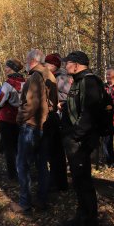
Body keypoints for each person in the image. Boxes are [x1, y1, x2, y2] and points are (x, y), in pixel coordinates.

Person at [60, 51, 102, 226]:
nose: (64, 66)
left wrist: (76, 136)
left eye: (67, 63)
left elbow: (90, 113)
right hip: (75, 140)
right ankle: (81, 217)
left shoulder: (89, 81)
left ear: (76, 64)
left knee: (84, 184)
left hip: (81, 142)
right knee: (78, 182)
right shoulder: (78, 81)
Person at [10, 49, 58, 213]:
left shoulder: (35, 77)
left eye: (26, 59)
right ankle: (41, 200)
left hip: (31, 125)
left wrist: (19, 119)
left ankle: (25, 203)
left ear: (31, 60)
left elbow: (31, 104)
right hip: (45, 125)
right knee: (42, 163)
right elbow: (53, 101)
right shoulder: (49, 75)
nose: (25, 61)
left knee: (22, 164)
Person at [0, 58, 25, 180]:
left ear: (12, 68)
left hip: (6, 118)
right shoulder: (25, 82)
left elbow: (0, 102)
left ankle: (12, 174)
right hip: (20, 118)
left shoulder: (7, 84)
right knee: (18, 145)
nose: (5, 69)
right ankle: (20, 171)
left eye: (7, 67)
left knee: (9, 147)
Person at [44, 53, 69, 192]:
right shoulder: (56, 76)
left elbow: (67, 95)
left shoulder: (60, 77)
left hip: (59, 118)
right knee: (55, 152)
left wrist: (60, 103)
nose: (45, 66)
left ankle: (58, 182)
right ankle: (59, 182)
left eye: (47, 64)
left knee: (56, 153)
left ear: (53, 65)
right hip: (57, 118)